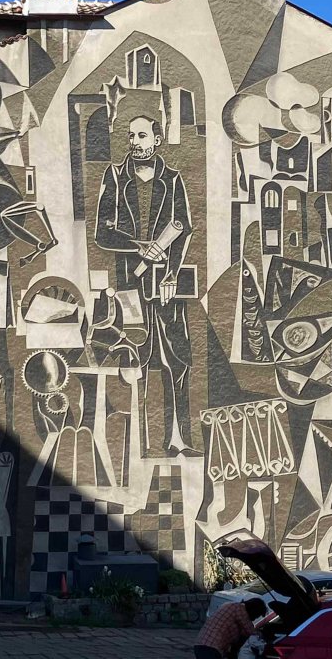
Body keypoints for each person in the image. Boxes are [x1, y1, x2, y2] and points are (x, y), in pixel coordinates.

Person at [95, 115, 194, 456]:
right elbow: (102, 233)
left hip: (165, 288)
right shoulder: (114, 176)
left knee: (177, 360)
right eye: (130, 136)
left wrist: (172, 274)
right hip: (129, 287)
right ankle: (138, 445)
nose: (135, 142)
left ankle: (178, 440)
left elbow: (184, 229)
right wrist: (138, 247)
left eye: (141, 135)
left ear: (157, 140)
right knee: (134, 358)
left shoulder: (173, 179)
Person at [194, 598, 267, 659]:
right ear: (253, 610)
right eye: (256, 615)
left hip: (201, 643)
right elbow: (250, 630)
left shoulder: (230, 605)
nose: (254, 619)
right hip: (211, 647)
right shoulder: (240, 609)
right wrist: (263, 635)